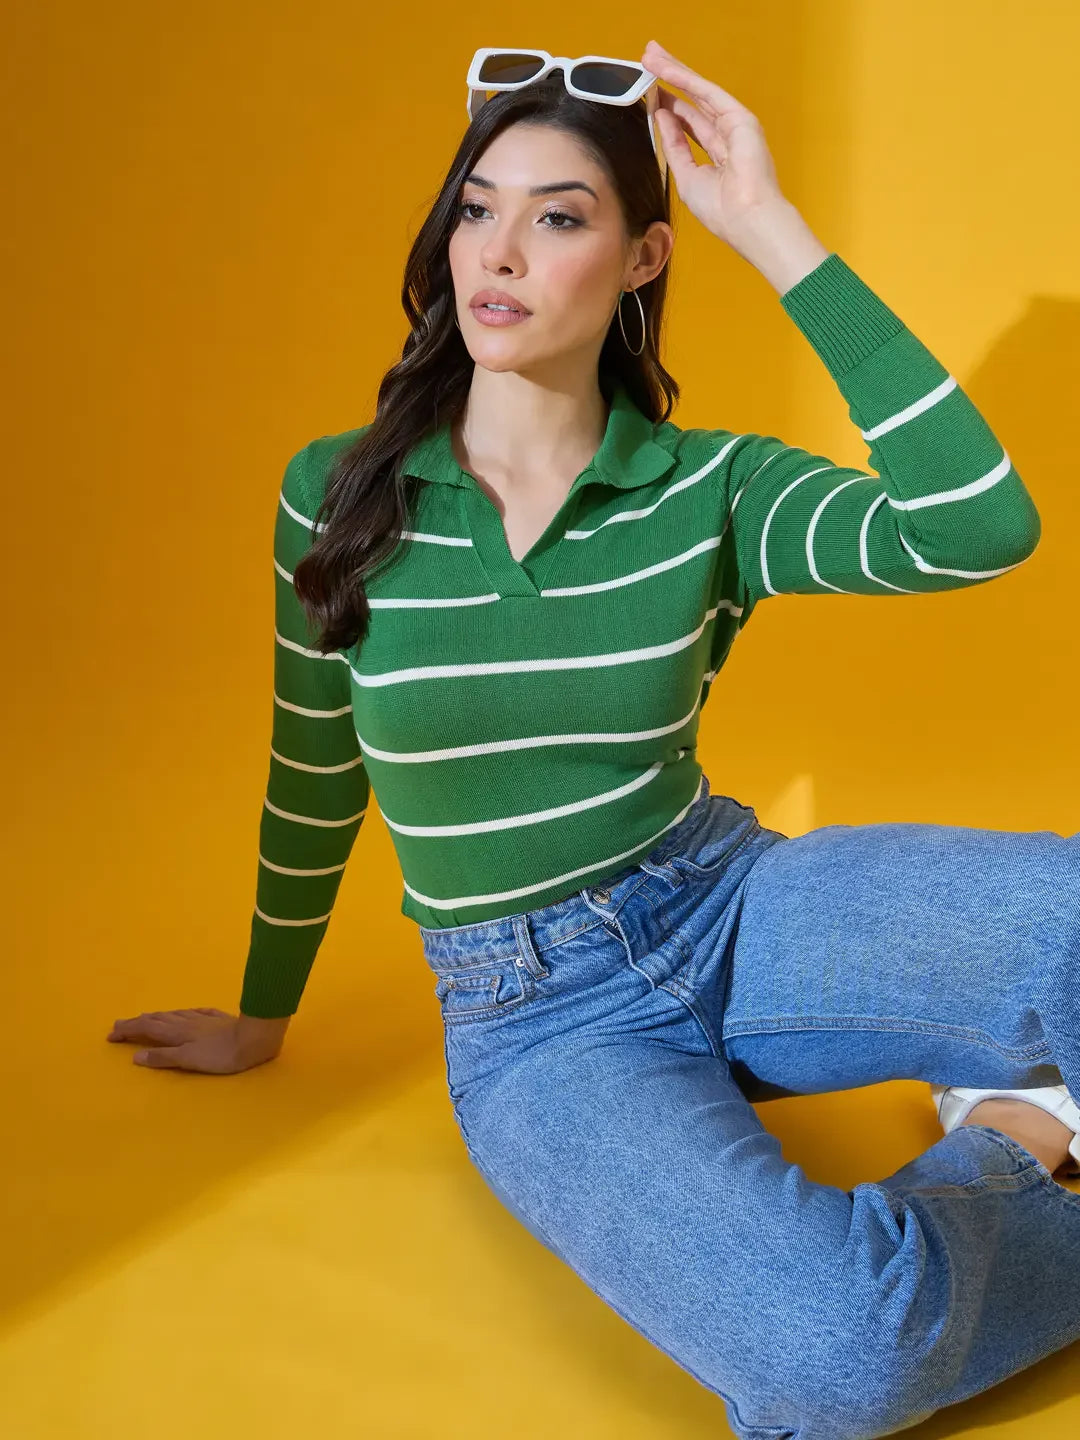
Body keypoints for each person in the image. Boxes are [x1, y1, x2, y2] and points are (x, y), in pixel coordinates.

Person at [107, 38, 1080, 1440]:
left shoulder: (708, 488)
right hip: (535, 1024)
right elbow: (313, 763)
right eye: (478, 204)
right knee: (839, 1355)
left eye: (559, 215)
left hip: (729, 905)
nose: (496, 248)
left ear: (641, 260)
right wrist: (265, 1011)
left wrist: (772, 228)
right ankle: (1017, 1131)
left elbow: (979, 526)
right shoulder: (338, 495)